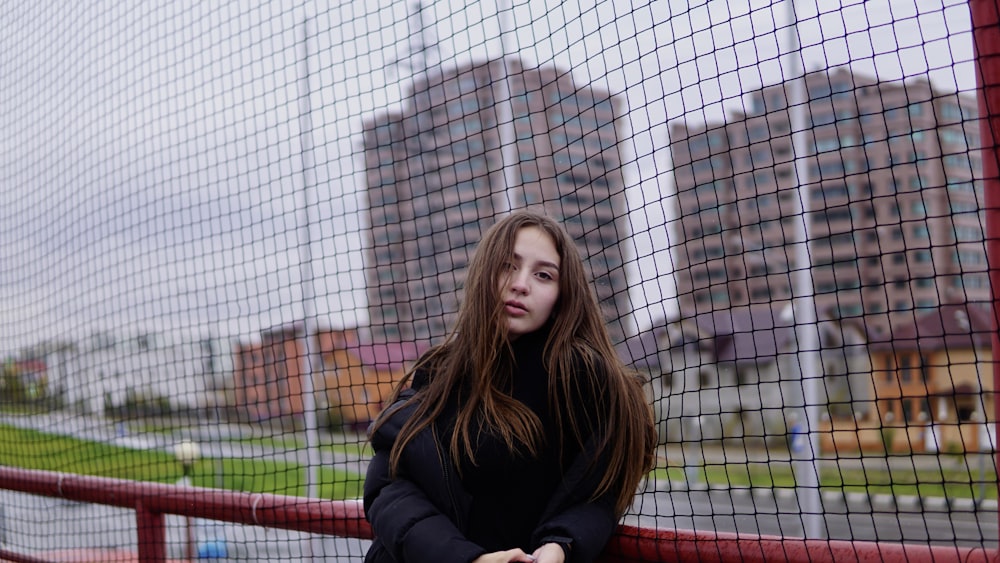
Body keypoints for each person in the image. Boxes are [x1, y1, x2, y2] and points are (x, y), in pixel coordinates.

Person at [364, 211, 657, 563]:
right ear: (484, 273)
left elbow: (598, 495)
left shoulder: (587, 381)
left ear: (562, 295)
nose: (521, 284)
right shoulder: (438, 371)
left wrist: (560, 547)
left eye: (544, 275)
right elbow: (390, 488)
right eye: (508, 265)